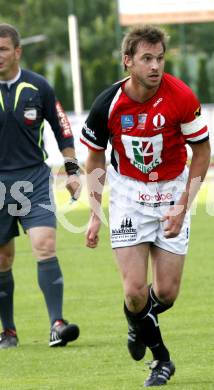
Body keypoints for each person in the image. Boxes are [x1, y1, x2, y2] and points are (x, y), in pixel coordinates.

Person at [81, 25, 210, 387]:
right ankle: (162, 361)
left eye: (160, 58)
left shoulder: (182, 97)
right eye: (146, 59)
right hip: (127, 197)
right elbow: (94, 160)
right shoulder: (108, 103)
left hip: (171, 194)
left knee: (165, 294)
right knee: (134, 291)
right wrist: (94, 214)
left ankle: (138, 325)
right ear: (128, 61)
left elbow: (202, 152)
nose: (155, 66)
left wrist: (184, 204)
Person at [0, 24, 81, 349]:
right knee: (3, 259)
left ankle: (57, 325)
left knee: (45, 244)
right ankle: (8, 331)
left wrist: (72, 170)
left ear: (18, 51)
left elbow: (63, 130)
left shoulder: (39, 86)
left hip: (33, 178)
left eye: (3, 49)